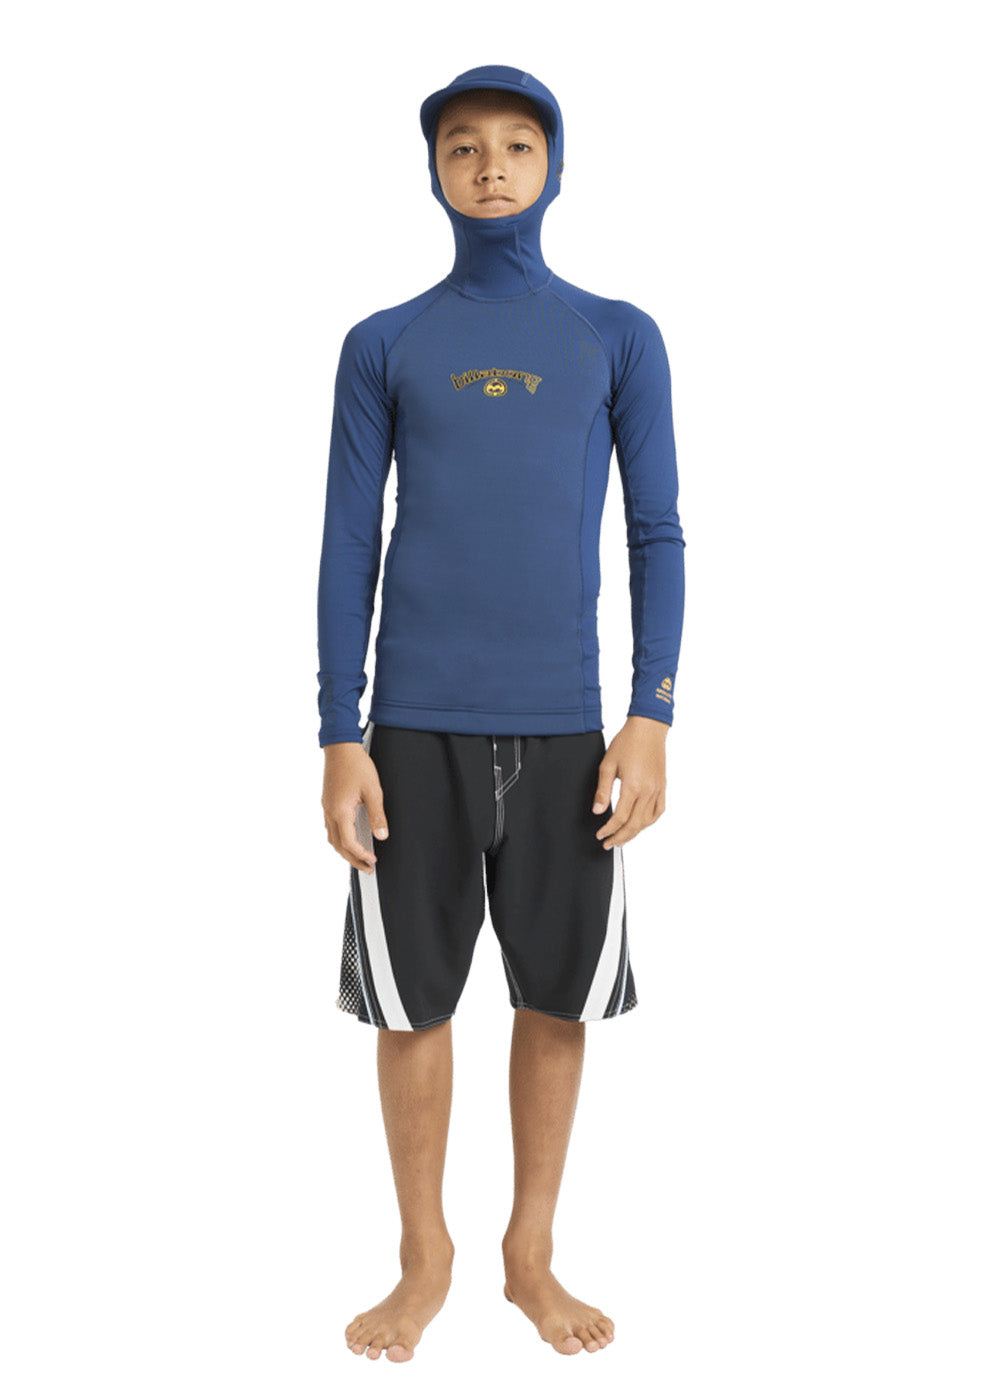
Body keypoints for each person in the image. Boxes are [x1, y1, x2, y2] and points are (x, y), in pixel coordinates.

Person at [317, 64, 685, 1362]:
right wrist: (340, 731)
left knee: (556, 997)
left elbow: (656, 531)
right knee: (410, 1004)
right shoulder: (384, 342)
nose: (489, 165)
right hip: (412, 729)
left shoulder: (615, 335)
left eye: (518, 145)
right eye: (463, 146)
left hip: (568, 731)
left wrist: (651, 714)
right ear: (433, 172)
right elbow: (348, 541)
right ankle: (425, 1255)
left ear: (555, 167)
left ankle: (531, 1251)